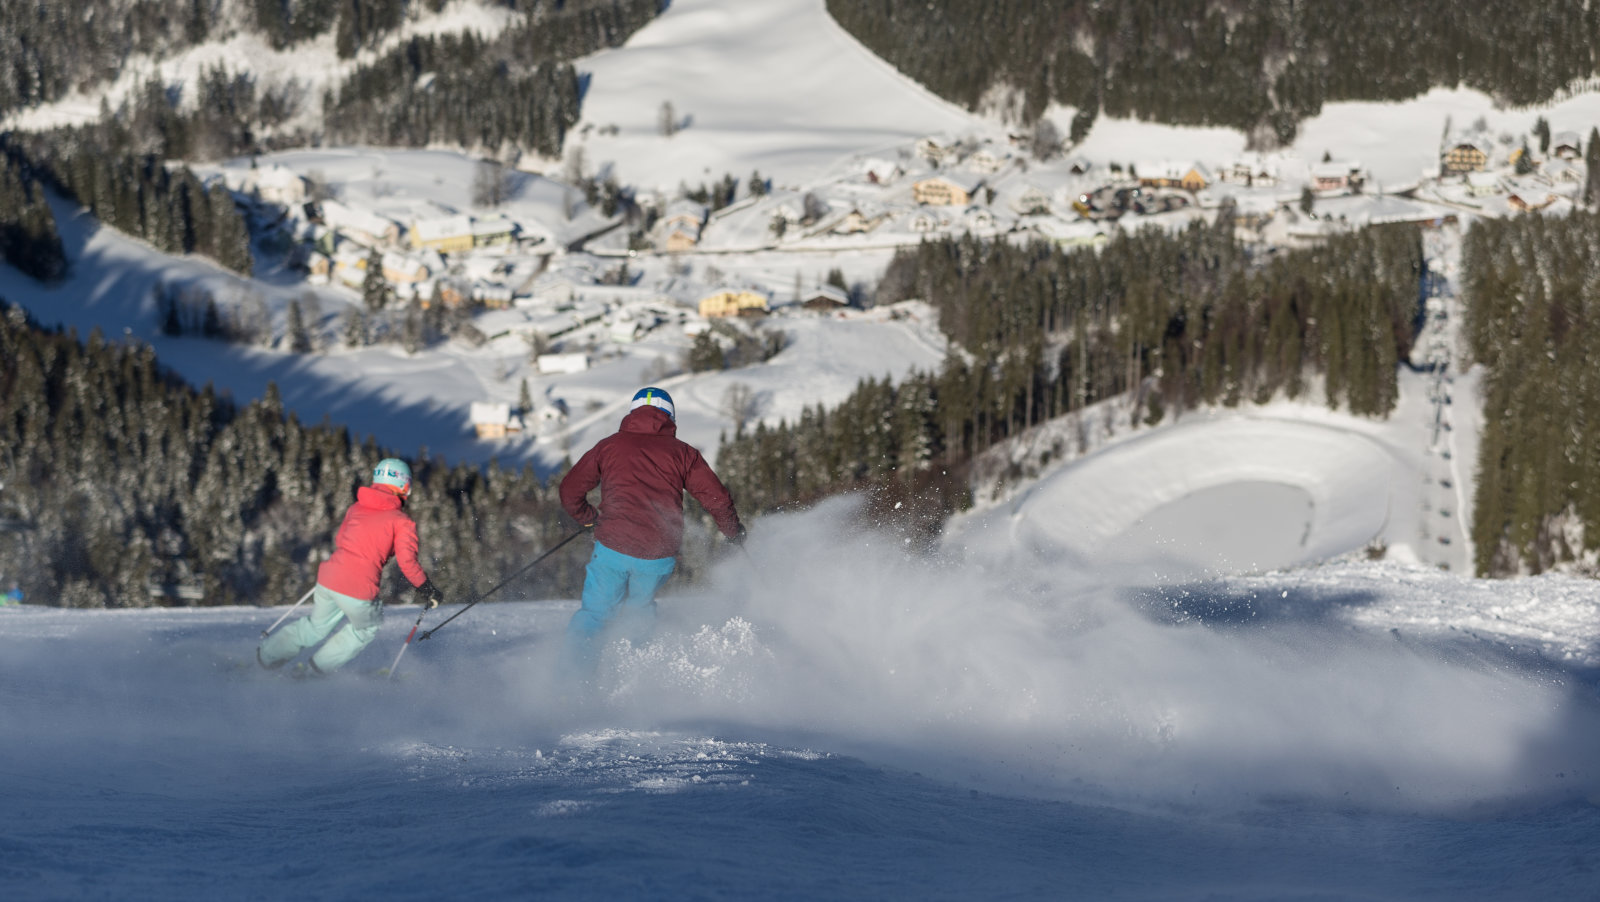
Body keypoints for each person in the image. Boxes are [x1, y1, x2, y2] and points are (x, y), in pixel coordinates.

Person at [559, 386, 744, 673]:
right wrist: (733, 531)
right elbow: (717, 498)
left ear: (632, 413)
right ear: (670, 416)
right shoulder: (684, 454)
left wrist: (588, 519)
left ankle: (572, 679)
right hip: (658, 554)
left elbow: (570, 490)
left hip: (613, 547)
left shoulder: (609, 446)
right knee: (640, 607)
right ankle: (633, 675)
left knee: (596, 614)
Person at [258, 458, 444, 674]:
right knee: (366, 628)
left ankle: (265, 657)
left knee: (315, 626)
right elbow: (407, 562)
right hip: (358, 588)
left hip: (329, 578)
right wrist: (427, 588)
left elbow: (341, 540)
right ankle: (315, 671)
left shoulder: (356, 508)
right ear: (403, 485)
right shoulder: (402, 522)